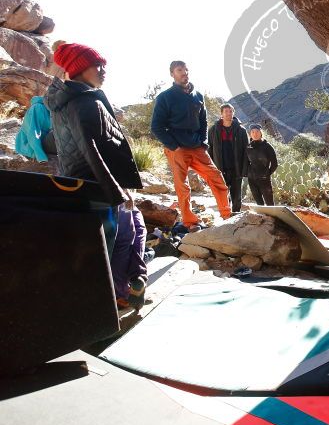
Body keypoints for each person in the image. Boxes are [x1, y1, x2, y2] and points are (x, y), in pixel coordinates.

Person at [44, 41, 147, 309]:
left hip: (85, 183)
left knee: (118, 236)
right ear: (80, 68)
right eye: (96, 65)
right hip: (96, 184)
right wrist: (117, 191)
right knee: (112, 240)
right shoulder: (83, 102)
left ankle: (114, 294)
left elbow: (60, 143)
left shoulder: (70, 100)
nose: (103, 70)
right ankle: (105, 301)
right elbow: (91, 150)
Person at [150, 61, 231, 231]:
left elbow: (203, 121)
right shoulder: (165, 97)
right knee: (182, 185)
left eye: (186, 69)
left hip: (197, 147)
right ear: (172, 74)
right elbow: (156, 126)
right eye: (180, 70)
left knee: (216, 177)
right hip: (177, 148)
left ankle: (226, 215)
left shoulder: (198, 96)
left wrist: (203, 143)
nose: (184, 72)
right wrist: (173, 146)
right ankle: (190, 221)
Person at [207, 103, 248, 212]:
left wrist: (244, 169)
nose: (228, 114)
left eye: (230, 111)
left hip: (236, 169)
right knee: (223, 195)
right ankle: (226, 217)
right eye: (226, 111)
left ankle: (236, 216)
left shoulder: (241, 130)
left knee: (237, 197)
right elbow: (209, 150)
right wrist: (211, 168)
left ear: (233, 113)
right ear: (221, 114)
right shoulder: (213, 130)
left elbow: (246, 151)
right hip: (220, 168)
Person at [14, 95, 57, 162]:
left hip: (43, 141)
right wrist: (40, 156)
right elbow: (33, 133)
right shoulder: (37, 108)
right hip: (28, 146)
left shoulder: (52, 110)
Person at [244, 124, 278, 205]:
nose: (255, 134)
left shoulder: (267, 146)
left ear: (261, 133)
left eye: (257, 132)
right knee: (259, 203)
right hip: (252, 179)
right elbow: (246, 162)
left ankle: (273, 217)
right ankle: (262, 218)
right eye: (252, 132)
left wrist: (267, 174)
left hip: (264, 179)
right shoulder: (248, 147)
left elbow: (275, 164)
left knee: (269, 203)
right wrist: (248, 173)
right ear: (250, 134)